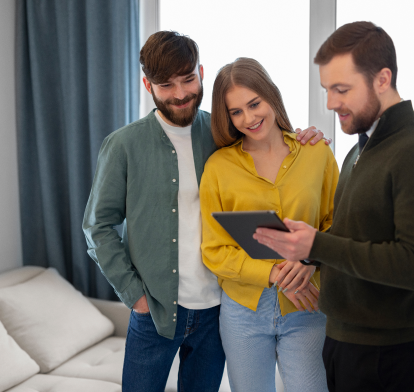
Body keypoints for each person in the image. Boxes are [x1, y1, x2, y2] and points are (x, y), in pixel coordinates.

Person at [82, 31, 327, 392]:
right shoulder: (123, 145)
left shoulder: (221, 132)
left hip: (217, 310)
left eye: (188, 79)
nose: (180, 93)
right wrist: (134, 295)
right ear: (148, 84)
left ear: (200, 72)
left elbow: (268, 146)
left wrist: (304, 137)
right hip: (155, 310)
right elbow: (97, 225)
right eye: (166, 84)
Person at [253, 22, 414, 392]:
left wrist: (317, 246)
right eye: (327, 90)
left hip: (388, 353)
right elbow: (357, 233)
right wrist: (307, 251)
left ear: (383, 79)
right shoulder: (361, 148)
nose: (331, 103)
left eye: (342, 89)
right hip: (345, 341)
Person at [200, 57, 339, 392]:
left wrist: (311, 258)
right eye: (236, 112)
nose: (249, 118)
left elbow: (340, 225)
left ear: (271, 95)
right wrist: (275, 273)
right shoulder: (218, 167)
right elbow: (215, 251)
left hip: (307, 304)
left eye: (254, 104)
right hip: (243, 311)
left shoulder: (316, 153)